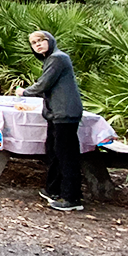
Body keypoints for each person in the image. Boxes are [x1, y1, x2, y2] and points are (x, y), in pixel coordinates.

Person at [16, 30, 84, 212]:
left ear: (50, 41)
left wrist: (25, 92)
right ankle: (53, 189)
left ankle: (72, 197)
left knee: (66, 155)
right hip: (55, 113)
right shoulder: (50, 59)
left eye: (41, 40)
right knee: (53, 151)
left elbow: (44, 84)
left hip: (65, 113)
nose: (37, 45)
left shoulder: (58, 58)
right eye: (33, 43)